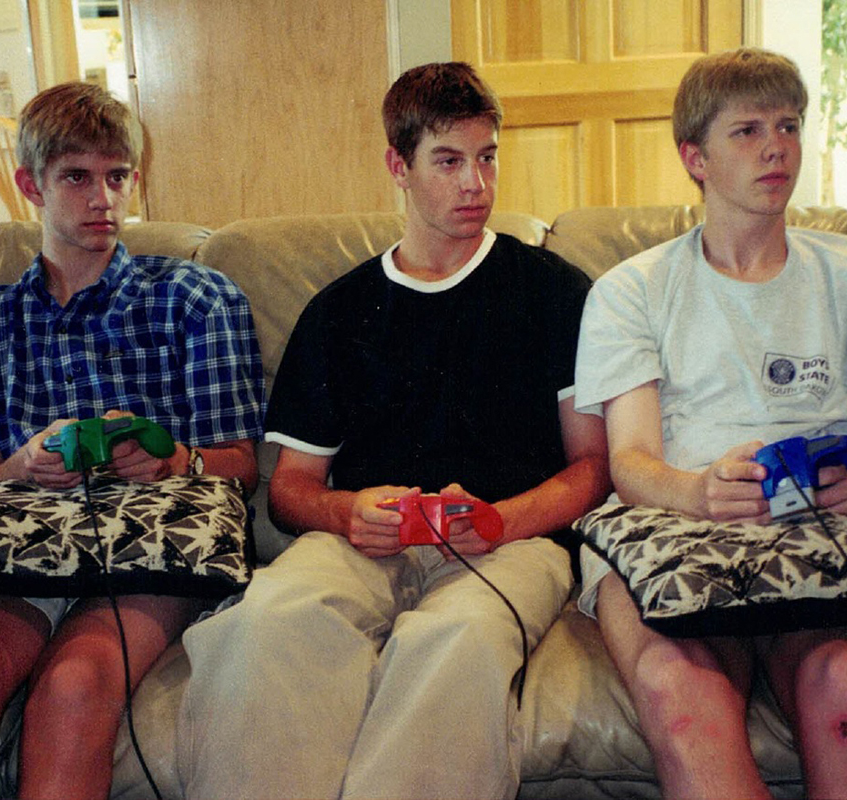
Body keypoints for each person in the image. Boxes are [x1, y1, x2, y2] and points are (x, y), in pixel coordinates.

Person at [573, 48, 847, 799]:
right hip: (672, 530)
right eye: (745, 131)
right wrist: (697, 492)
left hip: (813, 531)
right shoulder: (632, 290)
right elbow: (632, 460)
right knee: (682, 699)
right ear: (694, 157)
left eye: (789, 125)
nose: (776, 146)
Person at [178, 61, 610, 800]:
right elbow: (288, 491)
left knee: (451, 643)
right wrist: (347, 512)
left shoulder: (557, 294)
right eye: (448, 160)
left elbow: (593, 467)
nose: (476, 183)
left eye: (487, 156)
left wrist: (503, 520)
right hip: (362, 543)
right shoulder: (339, 313)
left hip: (509, 545)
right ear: (397, 167)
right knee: (267, 620)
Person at [0, 82, 264, 800]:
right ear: (29, 184)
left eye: (118, 177)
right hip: (15, 539)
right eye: (77, 177)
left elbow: (241, 468)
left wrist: (170, 458)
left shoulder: (197, 300)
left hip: (146, 542)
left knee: (75, 683)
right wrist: (25, 464)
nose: (104, 199)